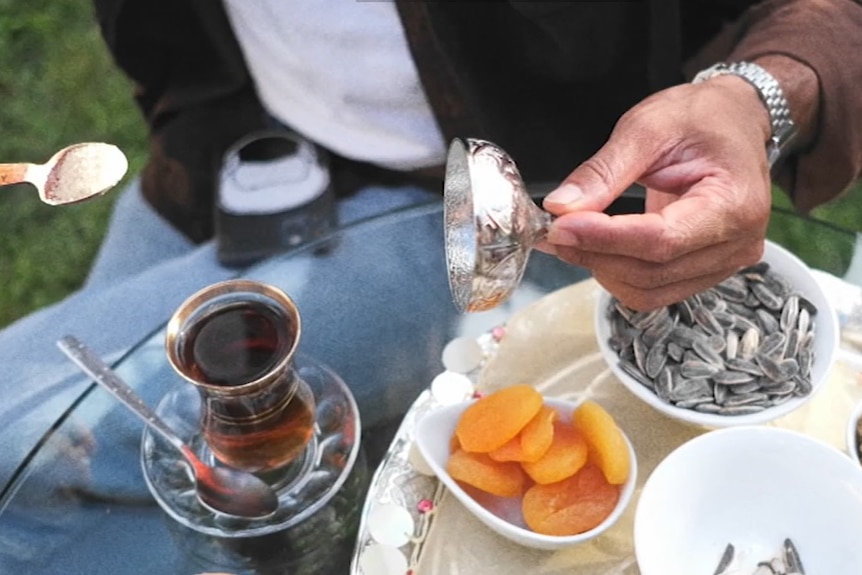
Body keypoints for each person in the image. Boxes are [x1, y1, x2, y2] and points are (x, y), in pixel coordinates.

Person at [1, 0, 861, 493]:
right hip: (230, 147)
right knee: (105, 480)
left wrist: (758, 98)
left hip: (488, 203)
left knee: (29, 448)